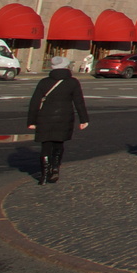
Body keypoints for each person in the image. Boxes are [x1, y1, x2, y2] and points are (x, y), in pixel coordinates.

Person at [26, 56, 90, 184]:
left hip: (45, 116)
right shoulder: (72, 82)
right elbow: (79, 102)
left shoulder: (44, 82)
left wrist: (31, 121)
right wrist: (84, 119)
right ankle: (55, 169)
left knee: (45, 145)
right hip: (64, 117)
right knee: (59, 144)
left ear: (52, 67)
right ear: (67, 67)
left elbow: (34, 102)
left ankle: (43, 175)